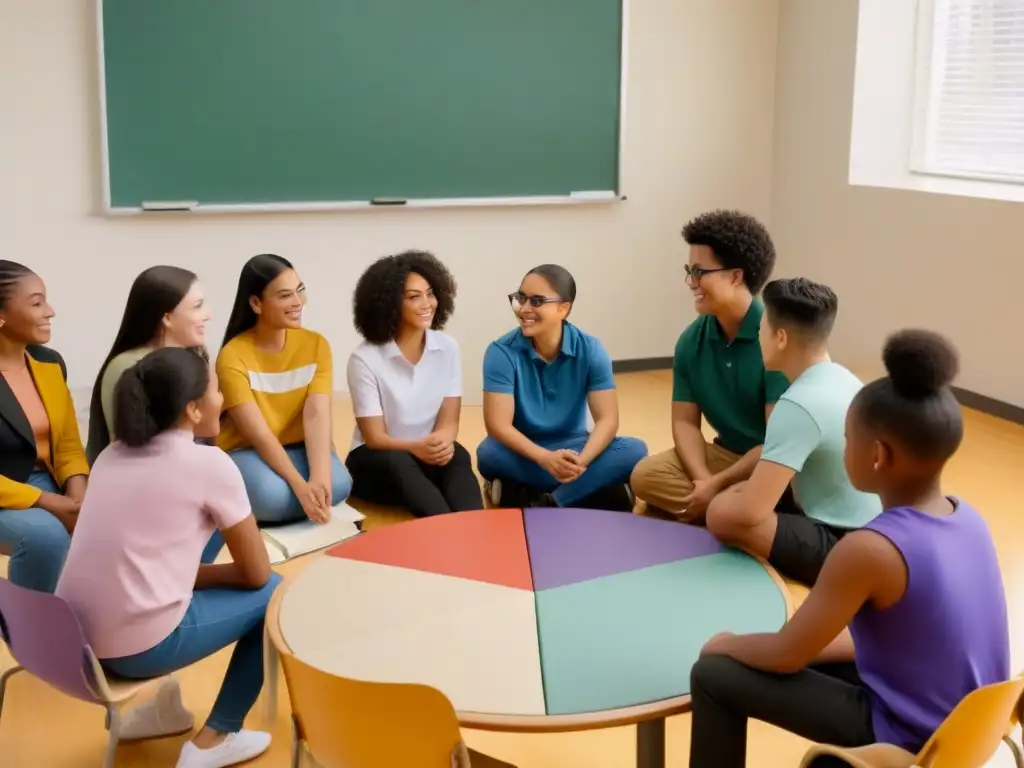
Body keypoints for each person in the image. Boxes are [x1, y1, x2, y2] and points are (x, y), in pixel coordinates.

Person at [688, 330, 1010, 768]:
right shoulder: (968, 518)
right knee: (785, 646)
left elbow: (787, 656)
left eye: (846, 437)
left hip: (910, 739)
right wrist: (785, 641)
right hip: (967, 730)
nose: (842, 450)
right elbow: (894, 637)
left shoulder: (868, 550)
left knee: (714, 672)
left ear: (877, 454)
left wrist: (727, 643)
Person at [56, 347, 280, 768]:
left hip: (73, 642)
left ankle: (160, 711)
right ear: (193, 409)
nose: (224, 398)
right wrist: (194, 577)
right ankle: (215, 739)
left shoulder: (109, 455)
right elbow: (256, 574)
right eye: (216, 389)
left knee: (203, 537)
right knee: (276, 594)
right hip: (135, 649)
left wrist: (189, 575)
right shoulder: (210, 464)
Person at [703, 278, 882, 585]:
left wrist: (729, 493)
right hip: (874, 525)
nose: (758, 336)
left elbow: (748, 513)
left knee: (720, 514)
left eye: (761, 328)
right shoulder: (846, 379)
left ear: (781, 338)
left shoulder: (798, 404)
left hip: (841, 542)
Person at [630, 209, 789, 521]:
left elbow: (778, 442)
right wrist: (704, 479)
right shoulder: (691, 341)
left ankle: (727, 511)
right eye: (689, 271)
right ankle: (732, 513)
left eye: (700, 272)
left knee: (787, 489)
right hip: (726, 458)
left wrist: (714, 485)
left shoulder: (776, 340)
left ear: (735, 275)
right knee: (645, 476)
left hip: (775, 462)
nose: (692, 282)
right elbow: (685, 423)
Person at [477, 264, 647, 510]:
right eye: (521, 298)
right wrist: (545, 458)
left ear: (563, 308)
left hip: (576, 449)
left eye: (536, 301)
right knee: (489, 453)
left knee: (635, 449)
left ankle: (549, 500)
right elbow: (498, 426)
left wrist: (581, 462)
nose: (524, 309)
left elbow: (608, 419)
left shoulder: (591, 349)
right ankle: (593, 490)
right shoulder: (500, 352)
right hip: (525, 451)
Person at [216, 254, 351, 525]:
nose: (298, 302)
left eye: (300, 290)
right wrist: (300, 487)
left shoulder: (316, 345)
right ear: (256, 303)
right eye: (285, 296)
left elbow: (316, 414)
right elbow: (259, 434)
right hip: (248, 450)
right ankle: (287, 501)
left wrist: (320, 479)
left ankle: (294, 502)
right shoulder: (232, 356)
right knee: (272, 496)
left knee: (338, 484)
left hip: (298, 446)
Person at [345, 251, 483, 516]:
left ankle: (472, 527)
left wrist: (442, 442)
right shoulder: (364, 358)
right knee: (399, 463)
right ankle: (445, 528)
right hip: (378, 460)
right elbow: (375, 438)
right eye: (413, 297)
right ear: (388, 304)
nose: (427, 303)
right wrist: (416, 448)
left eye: (430, 293)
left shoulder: (447, 348)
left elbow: (449, 420)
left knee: (459, 455)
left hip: (424, 456)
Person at [0, 261, 89, 593]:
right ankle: (32, 636)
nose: (49, 311)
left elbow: (67, 444)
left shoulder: (48, 363)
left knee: (114, 521)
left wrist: (77, 497)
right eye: (36, 303)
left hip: (45, 480)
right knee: (45, 536)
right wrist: (47, 502)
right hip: (8, 491)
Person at [86, 265, 211, 462]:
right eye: (197, 306)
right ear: (167, 318)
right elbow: (130, 449)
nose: (208, 315)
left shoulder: (194, 358)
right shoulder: (127, 367)